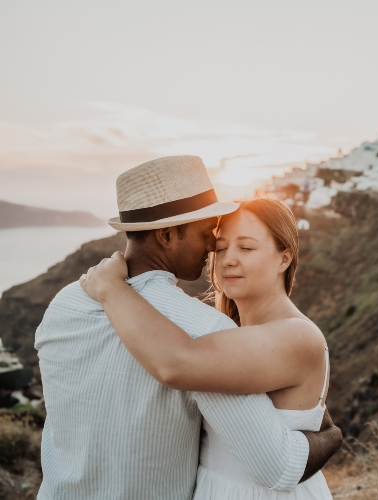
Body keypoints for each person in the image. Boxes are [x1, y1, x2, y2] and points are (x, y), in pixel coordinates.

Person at [35, 156, 341, 499]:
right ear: (167, 235)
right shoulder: (203, 327)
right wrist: (331, 435)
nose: (214, 249)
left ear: (284, 258)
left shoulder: (64, 304)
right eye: (210, 236)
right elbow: (276, 463)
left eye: (245, 246)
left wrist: (112, 288)